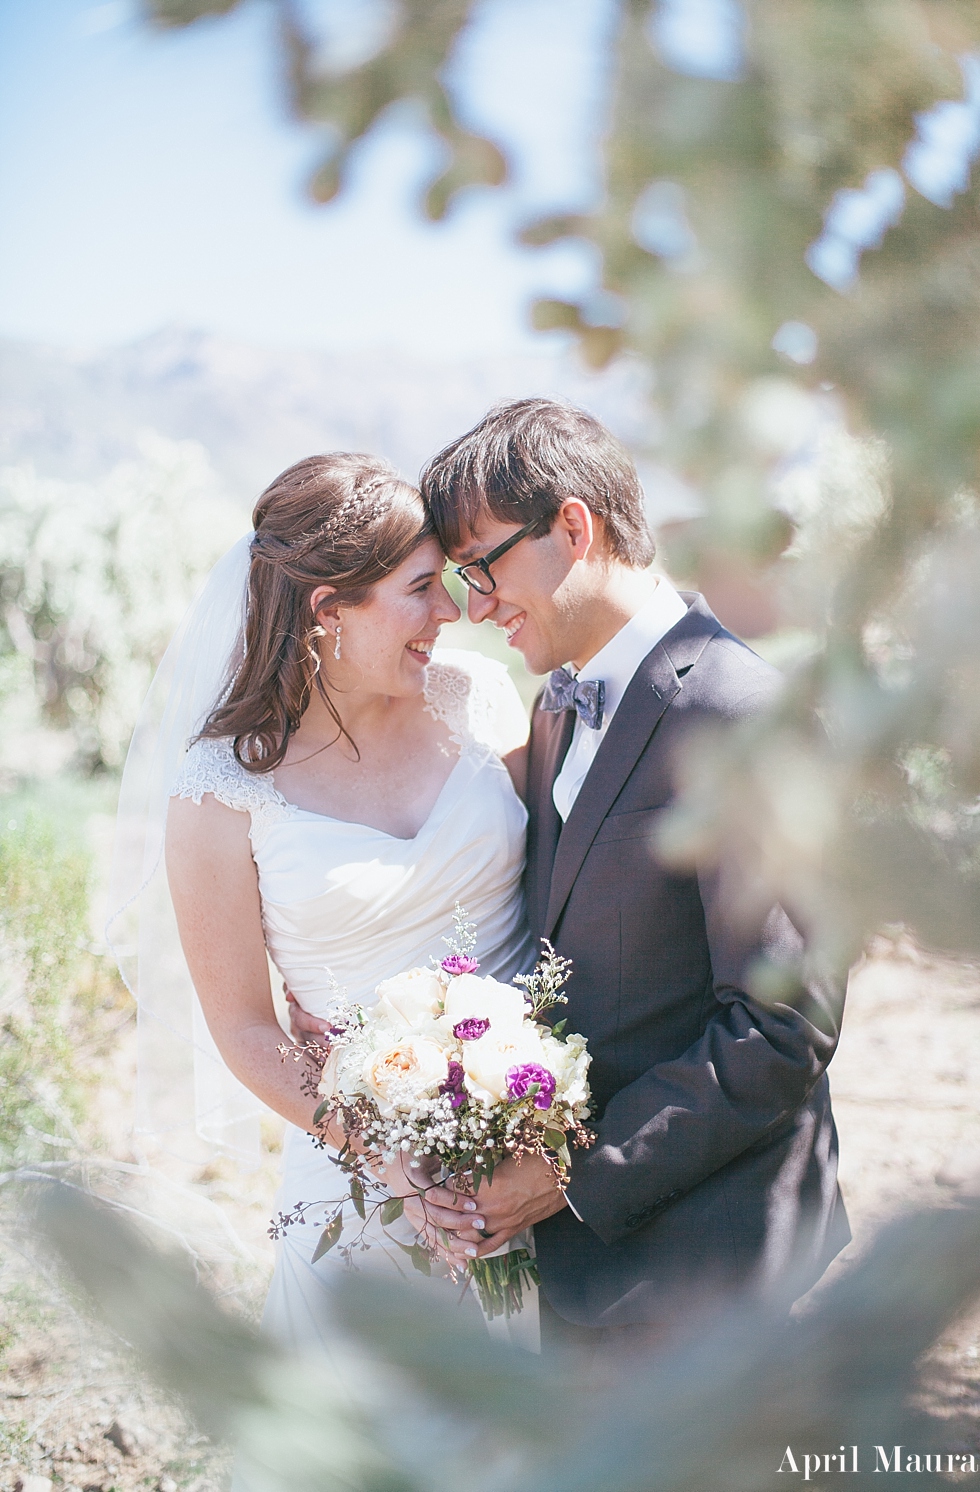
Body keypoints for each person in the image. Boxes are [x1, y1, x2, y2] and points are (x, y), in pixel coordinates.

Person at [411, 398, 851, 1352]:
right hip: (583, 1274)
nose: (472, 606)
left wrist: (574, 1173)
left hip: (709, 1268)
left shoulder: (738, 714)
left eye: (481, 566)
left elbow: (781, 1025)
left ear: (573, 527)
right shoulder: (555, 708)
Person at [121, 452, 534, 1362]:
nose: (452, 612)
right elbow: (243, 1030)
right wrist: (393, 1154)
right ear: (329, 608)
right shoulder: (220, 792)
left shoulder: (483, 703)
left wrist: (541, 1115)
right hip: (360, 1165)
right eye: (419, 588)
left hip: (537, 1146)